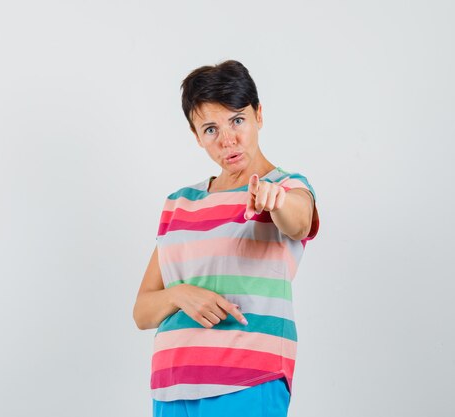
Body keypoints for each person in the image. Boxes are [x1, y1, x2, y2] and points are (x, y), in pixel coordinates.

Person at [132, 60, 320, 417]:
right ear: (196, 135)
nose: (228, 140)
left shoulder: (286, 187)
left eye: (237, 120)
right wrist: (181, 294)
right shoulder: (179, 203)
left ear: (258, 115)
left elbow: (298, 221)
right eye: (210, 129)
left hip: (247, 380)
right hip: (171, 386)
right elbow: (142, 312)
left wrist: (275, 200)